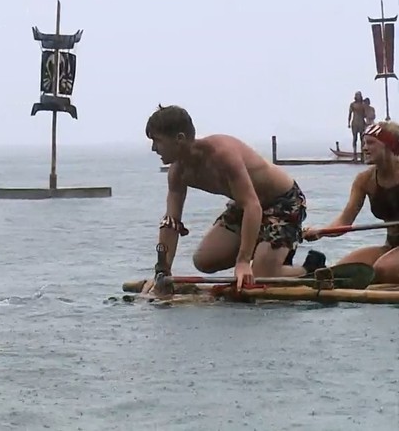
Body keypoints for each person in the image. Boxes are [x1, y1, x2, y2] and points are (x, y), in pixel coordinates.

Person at [141, 104, 324, 293]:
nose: (154, 148)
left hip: (283, 202)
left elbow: (252, 205)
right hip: (245, 207)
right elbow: (171, 222)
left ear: (179, 139)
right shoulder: (177, 173)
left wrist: (243, 262)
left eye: (157, 141)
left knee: (260, 275)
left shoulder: (222, 154)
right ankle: (269, 249)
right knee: (204, 261)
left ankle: (310, 268)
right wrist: (162, 271)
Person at [304, 122, 399, 284]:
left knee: (381, 271)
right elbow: (344, 222)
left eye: (370, 143)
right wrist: (321, 231)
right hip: (391, 246)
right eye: (364, 143)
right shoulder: (364, 180)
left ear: (388, 146)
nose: (364, 148)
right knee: (337, 274)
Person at [348, 91, 368, 160]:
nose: (358, 97)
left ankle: (362, 155)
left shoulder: (363, 105)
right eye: (357, 95)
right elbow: (350, 114)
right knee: (355, 139)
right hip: (354, 123)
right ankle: (354, 154)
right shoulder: (352, 105)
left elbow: (366, 114)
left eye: (359, 95)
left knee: (362, 139)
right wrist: (348, 122)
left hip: (361, 123)